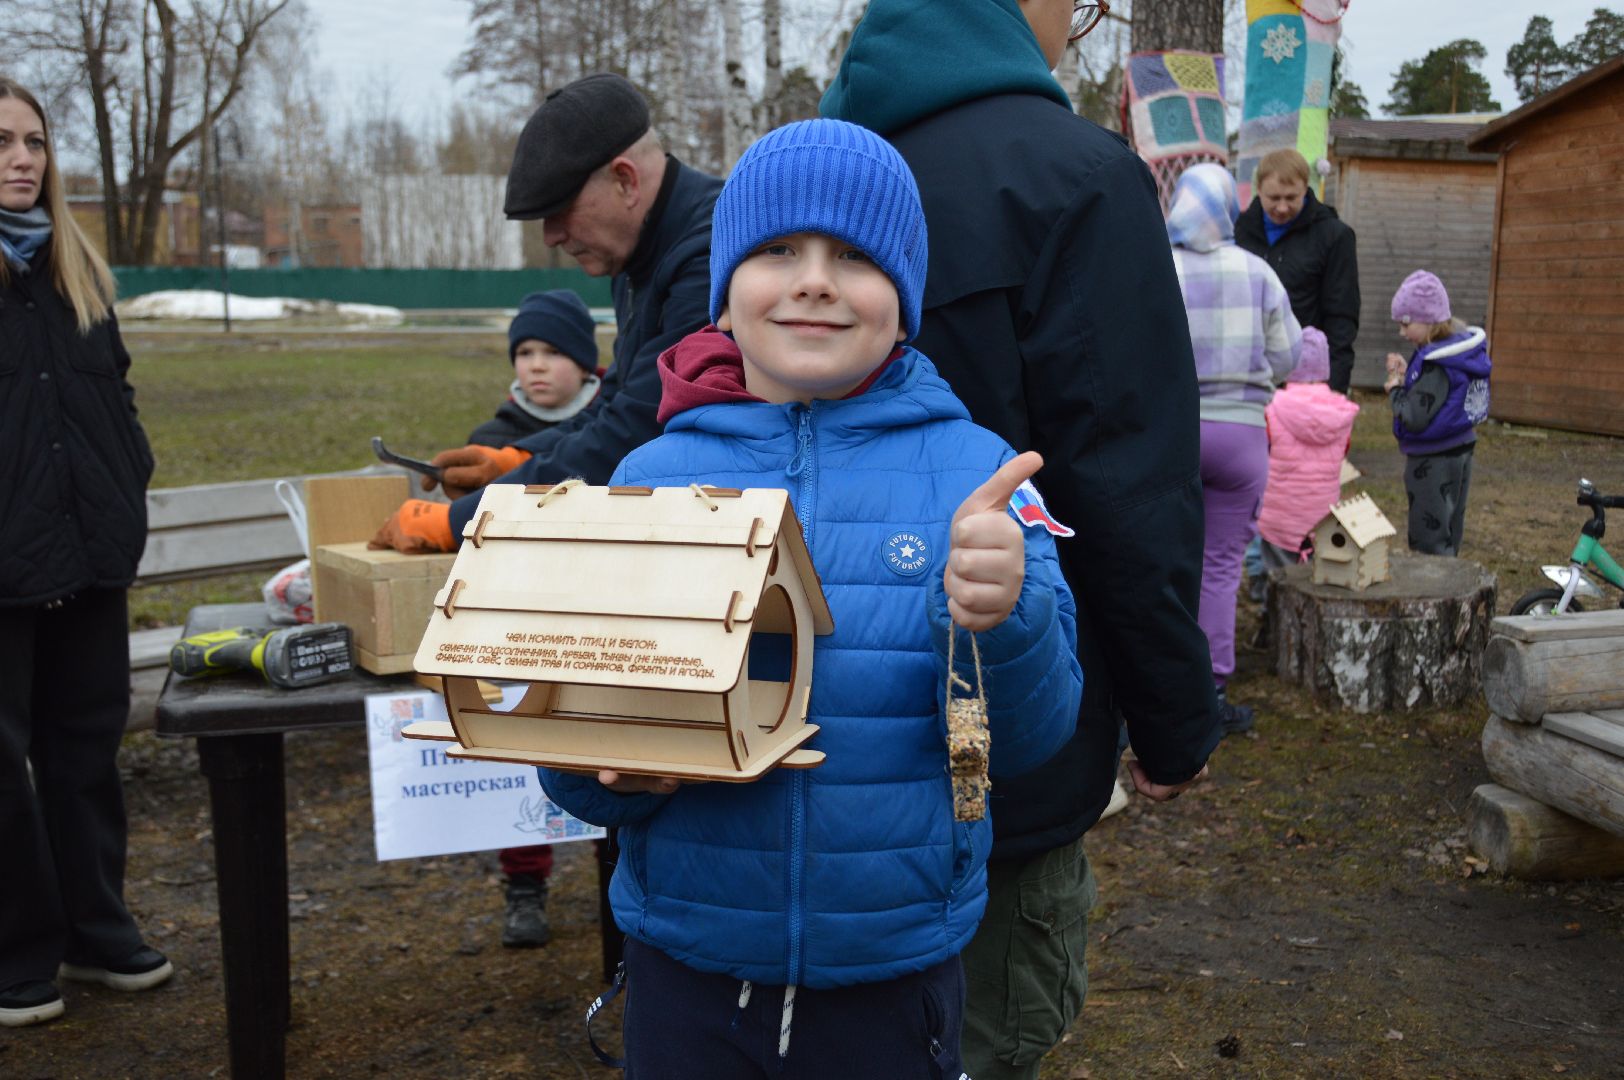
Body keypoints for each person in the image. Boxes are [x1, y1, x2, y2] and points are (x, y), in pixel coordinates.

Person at [539, 119, 1083, 1079]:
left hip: (893, 974)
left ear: (905, 302)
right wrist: (602, 768)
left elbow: (1031, 739)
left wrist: (1002, 620)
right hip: (686, 971)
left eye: (856, 257)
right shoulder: (648, 479)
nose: (816, 281)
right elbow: (576, 756)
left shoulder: (980, 481)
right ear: (724, 295)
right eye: (778, 250)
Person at [821, 3, 1219, 1075]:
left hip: (807, 753)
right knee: (980, 1034)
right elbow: (1126, 483)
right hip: (996, 753)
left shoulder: (807, 174)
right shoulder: (1074, 177)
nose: (1077, 28)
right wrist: (1174, 716)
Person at [371, 73, 722, 554]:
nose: (551, 237)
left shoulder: (710, 250)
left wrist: (463, 521)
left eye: (560, 210)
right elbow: (617, 400)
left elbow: (644, 425)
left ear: (625, 180)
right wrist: (517, 456)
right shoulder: (639, 249)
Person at [0, 77, 171, 1029]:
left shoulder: (78, 275)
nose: (22, 159)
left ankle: (97, 929)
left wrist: (126, 475)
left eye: (33, 142)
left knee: (84, 750)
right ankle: (18, 950)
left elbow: (118, 397)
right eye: (1, 142)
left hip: (89, 552)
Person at [466, 288, 601, 947]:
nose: (537, 365)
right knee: (520, 759)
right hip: (517, 622)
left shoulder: (616, 430)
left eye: (553, 351)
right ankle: (525, 884)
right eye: (525, 352)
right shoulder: (491, 442)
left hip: (602, 622)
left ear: (587, 362)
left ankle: (616, 878)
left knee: (610, 753)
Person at [1168, 163, 1301, 736]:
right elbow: (1288, 357)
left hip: (1172, 435)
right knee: (1221, 566)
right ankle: (1212, 690)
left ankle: (1156, 681)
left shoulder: (1159, 266)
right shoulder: (1258, 272)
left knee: (1165, 558)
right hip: (1242, 437)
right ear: (1229, 208)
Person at [1383, 270, 1491, 557]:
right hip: (1460, 448)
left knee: (1429, 535)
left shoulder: (1437, 365)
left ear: (1429, 320)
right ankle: (1450, 575)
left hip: (1433, 459)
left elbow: (1415, 417)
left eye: (1406, 324)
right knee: (1450, 525)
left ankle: (1432, 579)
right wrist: (1409, 375)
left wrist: (1396, 390)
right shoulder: (1453, 355)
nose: (1402, 332)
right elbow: (1439, 397)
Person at [1235, 148, 1361, 393]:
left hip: (1305, 378)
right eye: (1274, 198)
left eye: (1292, 198)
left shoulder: (1334, 237)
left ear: (1306, 188)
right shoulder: (1237, 232)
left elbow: (1341, 318)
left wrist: (1333, 390)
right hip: (1245, 373)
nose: (1282, 207)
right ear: (1258, 190)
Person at [1256, 327, 1360, 574]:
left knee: (1277, 576)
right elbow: (1342, 453)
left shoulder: (1272, 408)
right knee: (1313, 576)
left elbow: (1261, 453)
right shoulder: (1341, 412)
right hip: (1322, 518)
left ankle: (1266, 595)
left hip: (1278, 518)